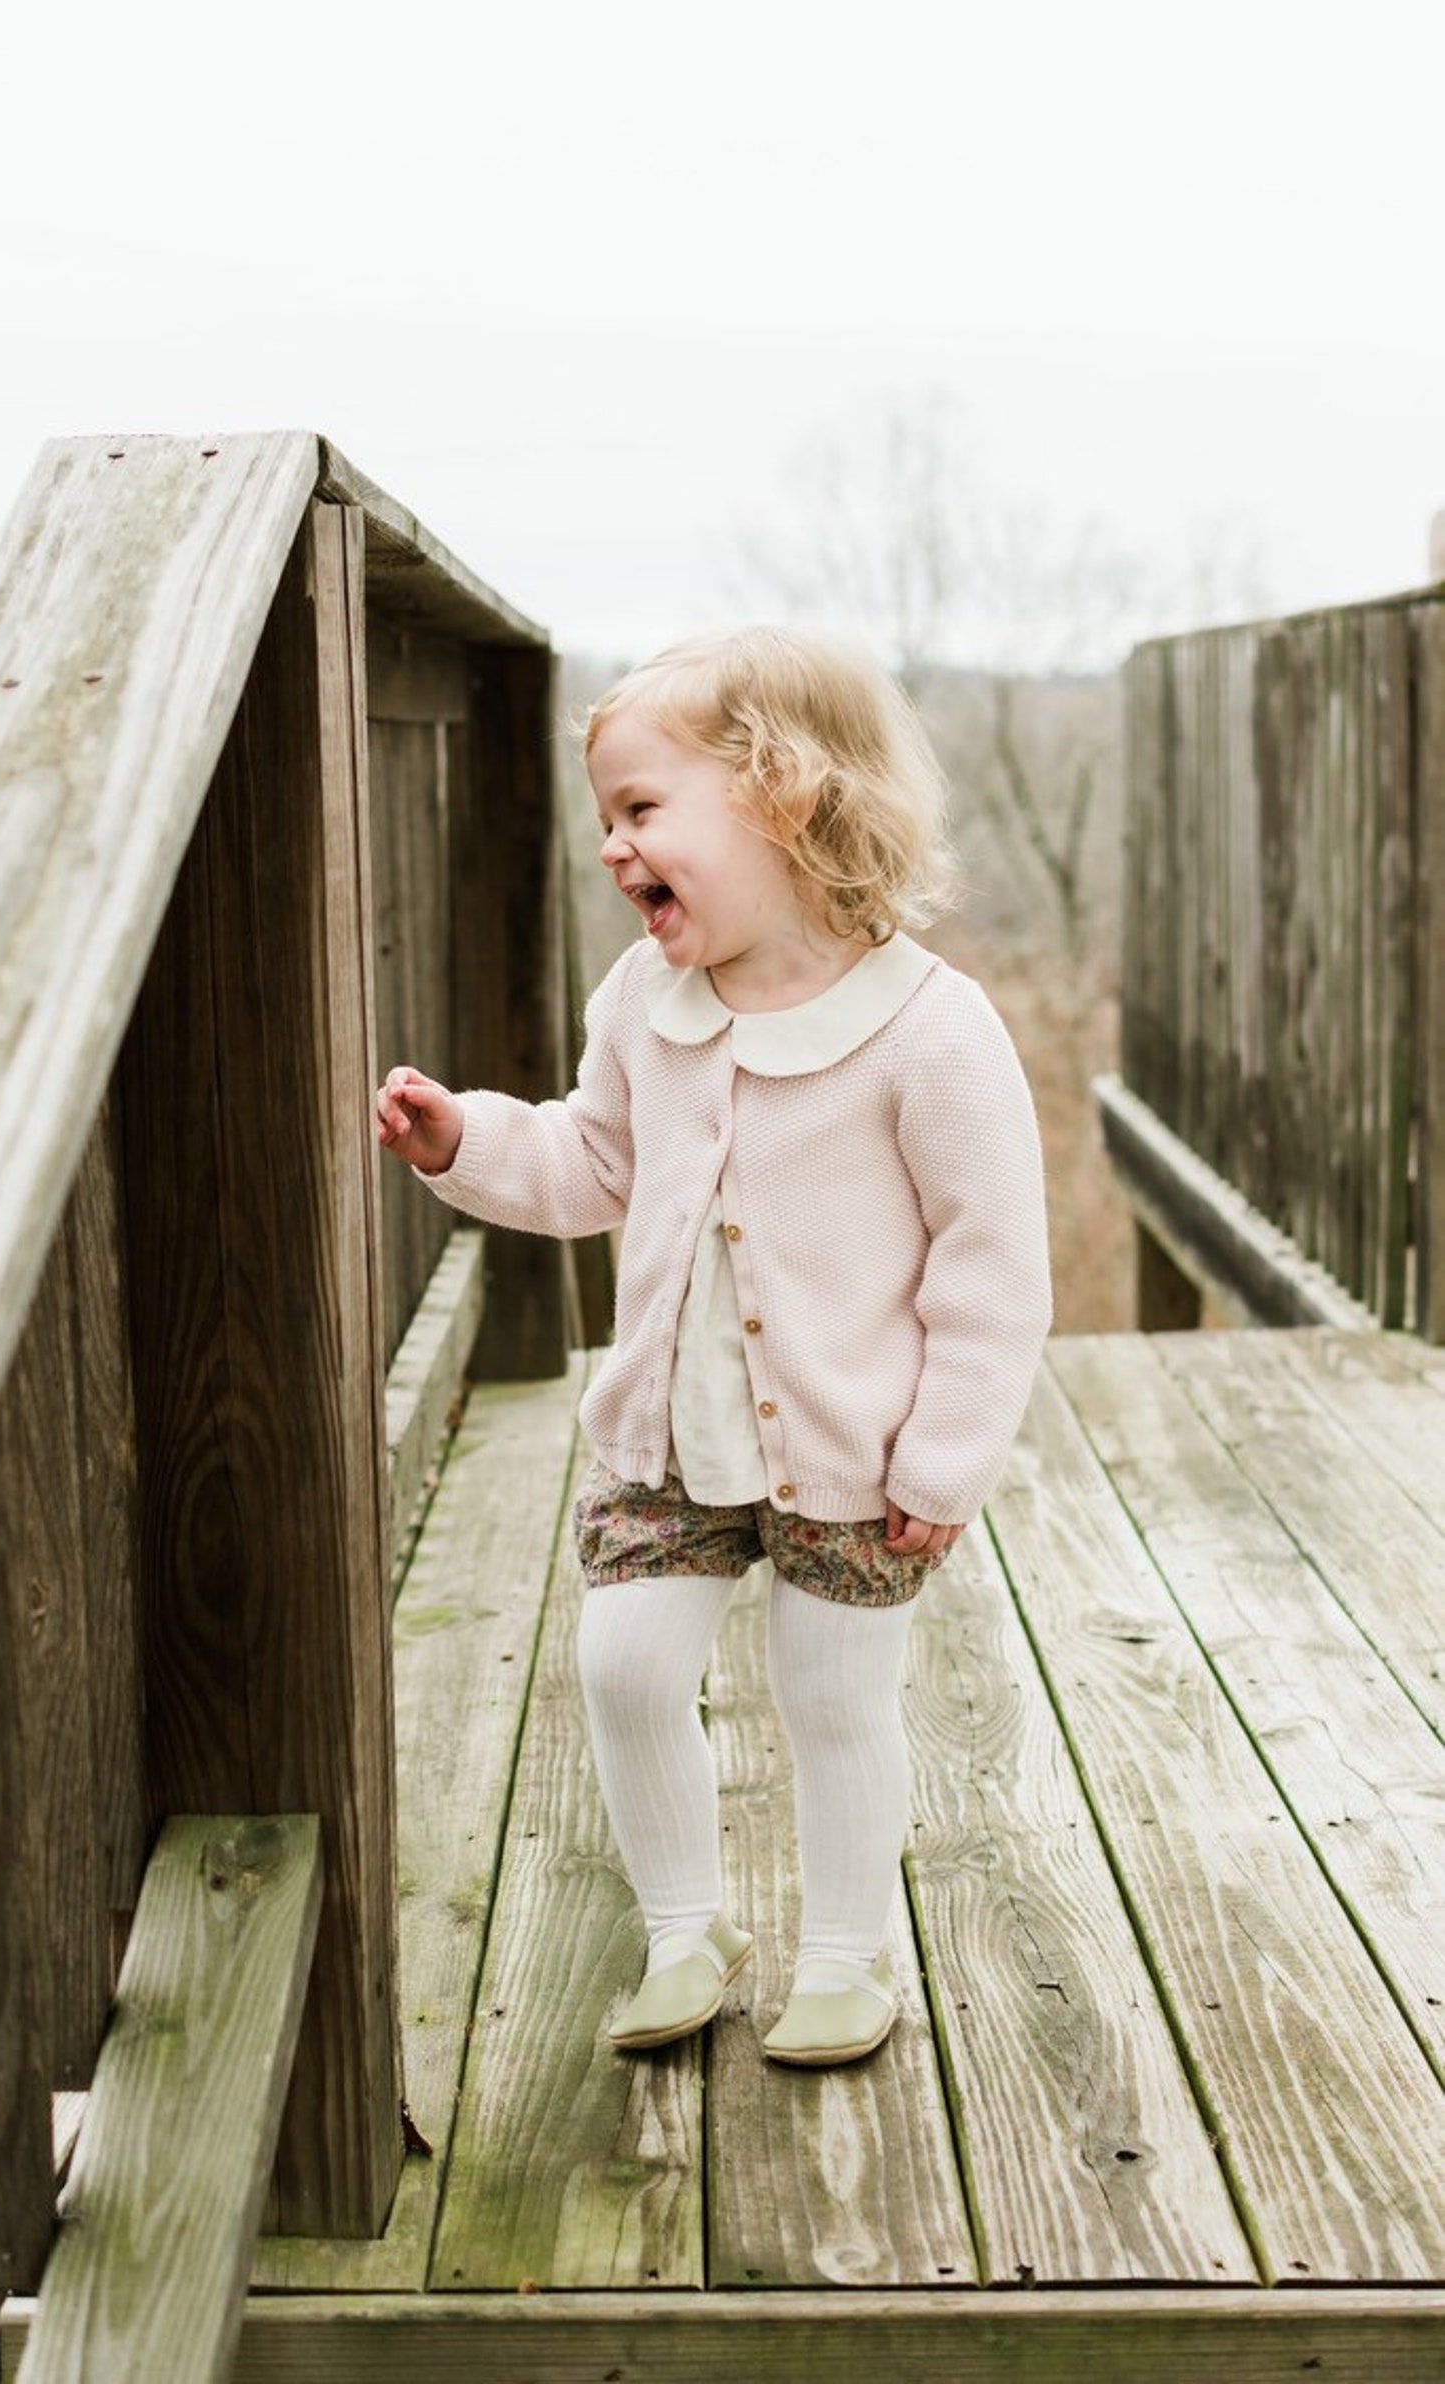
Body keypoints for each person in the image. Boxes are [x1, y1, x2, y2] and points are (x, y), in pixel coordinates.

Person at [376, 625, 1052, 2068]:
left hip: (858, 1451)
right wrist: (466, 1140)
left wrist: (945, 1458)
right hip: (670, 1438)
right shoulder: (643, 1004)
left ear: (787, 799)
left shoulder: (929, 1035)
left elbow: (993, 1270)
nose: (615, 848)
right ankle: (687, 1930)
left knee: (832, 1694)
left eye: (642, 809)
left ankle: (845, 1960)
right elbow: (588, 1162)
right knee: (621, 1666)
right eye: (603, 817)